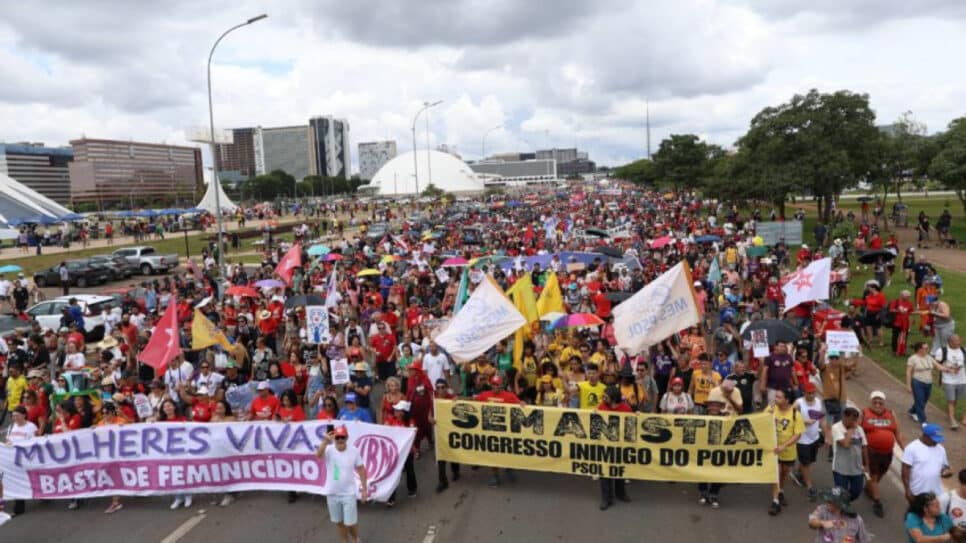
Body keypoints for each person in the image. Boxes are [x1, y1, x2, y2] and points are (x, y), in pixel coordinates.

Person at [316, 425, 367, 543]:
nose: (340, 440)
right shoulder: (328, 449)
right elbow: (318, 455)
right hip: (332, 493)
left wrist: (364, 489)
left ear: (347, 438)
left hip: (348, 493)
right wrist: (325, 441)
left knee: (350, 523)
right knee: (338, 522)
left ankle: (355, 539)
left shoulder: (354, 451)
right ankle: (344, 541)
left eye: (342, 437)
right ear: (334, 438)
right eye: (337, 437)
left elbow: (361, 469)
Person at [862, 390, 904, 518]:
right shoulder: (864, 413)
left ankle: (868, 488)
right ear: (871, 402)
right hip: (871, 452)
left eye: (880, 402)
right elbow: (856, 430)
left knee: (879, 475)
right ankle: (877, 502)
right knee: (874, 476)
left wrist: (905, 450)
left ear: (884, 403)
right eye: (875, 401)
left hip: (887, 453)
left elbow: (898, 433)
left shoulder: (891, 414)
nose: (877, 404)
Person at [767, 388, 804, 516]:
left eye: (779, 397)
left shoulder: (795, 414)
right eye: (775, 396)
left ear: (787, 400)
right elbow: (761, 422)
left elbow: (798, 434)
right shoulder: (771, 409)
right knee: (776, 474)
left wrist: (784, 445)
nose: (775, 399)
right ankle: (775, 501)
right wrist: (767, 417)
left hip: (788, 451)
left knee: (784, 473)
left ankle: (780, 491)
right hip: (774, 450)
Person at [792, 382, 829, 501]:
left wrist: (827, 435)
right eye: (809, 393)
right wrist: (803, 421)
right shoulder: (798, 403)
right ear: (804, 393)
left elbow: (822, 419)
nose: (812, 395)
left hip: (814, 437)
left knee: (810, 460)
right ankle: (810, 487)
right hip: (802, 439)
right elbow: (789, 417)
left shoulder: (818, 402)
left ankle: (799, 473)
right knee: (806, 463)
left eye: (813, 393)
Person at [596, 385, 631, 510]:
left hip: (620, 446)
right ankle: (606, 498)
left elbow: (630, 426)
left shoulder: (626, 409)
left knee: (619, 471)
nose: (603, 398)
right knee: (605, 472)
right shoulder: (601, 407)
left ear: (614, 398)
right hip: (605, 446)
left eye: (606, 396)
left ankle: (620, 493)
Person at [902, 424, 952, 504]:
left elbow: (944, 467)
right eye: (934, 440)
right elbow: (905, 470)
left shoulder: (941, 449)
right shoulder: (911, 448)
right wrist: (907, 490)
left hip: (936, 492)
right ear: (925, 436)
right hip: (917, 492)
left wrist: (946, 471)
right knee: (917, 512)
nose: (936, 442)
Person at [830, 405, 869, 502]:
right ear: (844, 417)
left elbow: (864, 447)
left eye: (855, 420)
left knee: (856, 491)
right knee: (840, 492)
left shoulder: (859, 429)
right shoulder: (836, 428)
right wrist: (851, 430)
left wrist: (866, 465)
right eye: (851, 420)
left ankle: (843, 503)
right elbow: (845, 444)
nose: (854, 422)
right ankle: (839, 506)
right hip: (840, 468)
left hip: (857, 468)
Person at [4, 406, 38, 516]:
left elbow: (35, 442)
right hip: (12, 458)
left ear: (24, 415)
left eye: (17, 415)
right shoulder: (11, 427)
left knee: (29, 480)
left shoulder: (31, 427)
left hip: (26, 458)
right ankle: (18, 508)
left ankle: (42, 495)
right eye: (13, 416)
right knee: (15, 481)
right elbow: (7, 441)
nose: (15, 418)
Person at [907, 342, 947, 424]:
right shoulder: (912, 358)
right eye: (925, 348)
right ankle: (923, 422)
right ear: (919, 349)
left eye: (928, 348)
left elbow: (938, 366)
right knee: (920, 401)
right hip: (917, 382)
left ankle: (912, 411)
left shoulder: (929, 357)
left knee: (924, 400)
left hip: (928, 383)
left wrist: (950, 369)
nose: (928, 350)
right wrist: (908, 386)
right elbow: (908, 372)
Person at [936, 335, 966, 429]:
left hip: (962, 380)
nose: (958, 342)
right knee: (951, 400)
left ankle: (959, 417)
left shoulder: (963, 350)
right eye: (956, 341)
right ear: (950, 342)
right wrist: (949, 369)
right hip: (948, 380)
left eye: (959, 340)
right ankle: (952, 421)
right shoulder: (942, 351)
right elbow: (936, 364)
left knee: (955, 399)